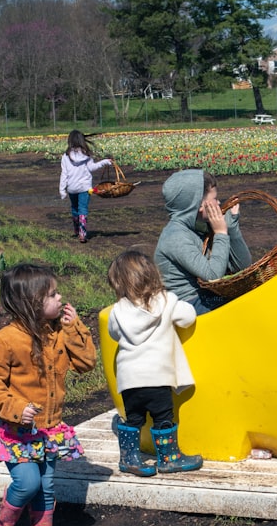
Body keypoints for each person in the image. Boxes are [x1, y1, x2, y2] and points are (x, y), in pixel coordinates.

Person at [0, 263, 97, 526]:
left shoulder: (58, 334)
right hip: (16, 431)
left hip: (48, 430)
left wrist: (74, 328)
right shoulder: (4, 340)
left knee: (46, 487)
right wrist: (16, 409)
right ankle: (3, 525)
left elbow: (86, 363)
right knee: (27, 482)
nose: (60, 298)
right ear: (32, 303)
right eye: (52, 294)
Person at [106, 250, 203, 476]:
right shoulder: (166, 301)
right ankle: (169, 459)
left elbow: (114, 334)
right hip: (157, 376)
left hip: (130, 379)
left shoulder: (117, 311)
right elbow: (188, 316)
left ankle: (129, 459)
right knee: (162, 418)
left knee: (134, 419)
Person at [154, 169, 252, 314]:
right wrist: (220, 233)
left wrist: (232, 229)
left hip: (206, 298)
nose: (219, 202)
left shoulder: (198, 228)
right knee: (246, 309)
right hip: (187, 306)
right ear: (199, 205)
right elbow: (213, 276)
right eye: (214, 199)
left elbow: (243, 266)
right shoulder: (175, 236)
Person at [59, 130, 114, 243]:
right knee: (83, 209)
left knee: (74, 208)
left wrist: (62, 189)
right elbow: (92, 168)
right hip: (85, 188)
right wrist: (104, 162)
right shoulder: (86, 155)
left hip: (72, 188)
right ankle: (82, 233)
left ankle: (76, 229)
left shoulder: (66, 156)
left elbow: (64, 174)